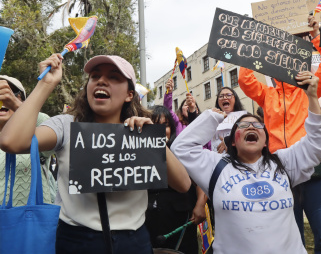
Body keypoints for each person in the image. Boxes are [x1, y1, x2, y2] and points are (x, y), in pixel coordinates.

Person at [0, 54, 191, 254]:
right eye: (95, 76)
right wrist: (46, 84)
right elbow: (11, 142)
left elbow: (183, 184)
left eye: (114, 77)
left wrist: (153, 141)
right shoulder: (66, 125)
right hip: (76, 241)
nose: (101, 80)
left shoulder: (139, 132)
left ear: (129, 94)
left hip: (134, 242)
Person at [171, 71, 321, 253]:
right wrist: (211, 117)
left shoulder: (284, 162)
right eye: (242, 126)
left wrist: (312, 97)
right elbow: (181, 148)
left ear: (265, 140)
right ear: (232, 141)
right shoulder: (216, 166)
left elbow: (319, 145)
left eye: (257, 125)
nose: (250, 126)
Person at [238, 15, 321, 253]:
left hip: (313, 170)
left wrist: (316, 36)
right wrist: (255, 45)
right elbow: (244, 79)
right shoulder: (267, 95)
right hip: (279, 171)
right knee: (290, 236)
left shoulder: (310, 88)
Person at [146, 105, 206, 253]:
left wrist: (199, 206)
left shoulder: (182, 151)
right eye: (154, 125)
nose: (159, 130)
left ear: (172, 129)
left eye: (164, 126)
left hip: (180, 221)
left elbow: (200, 181)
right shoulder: (139, 153)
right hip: (149, 221)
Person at [0, 75, 56, 206]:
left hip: (30, 224)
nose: (3, 97)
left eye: (13, 93)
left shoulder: (36, 127)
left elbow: (53, 134)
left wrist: (15, 104)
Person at [212, 86, 247, 153]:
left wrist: (228, 140)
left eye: (228, 95)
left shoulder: (245, 117)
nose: (224, 98)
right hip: (218, 158)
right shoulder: (213, 118)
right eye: (221, 96)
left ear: (235, 99)